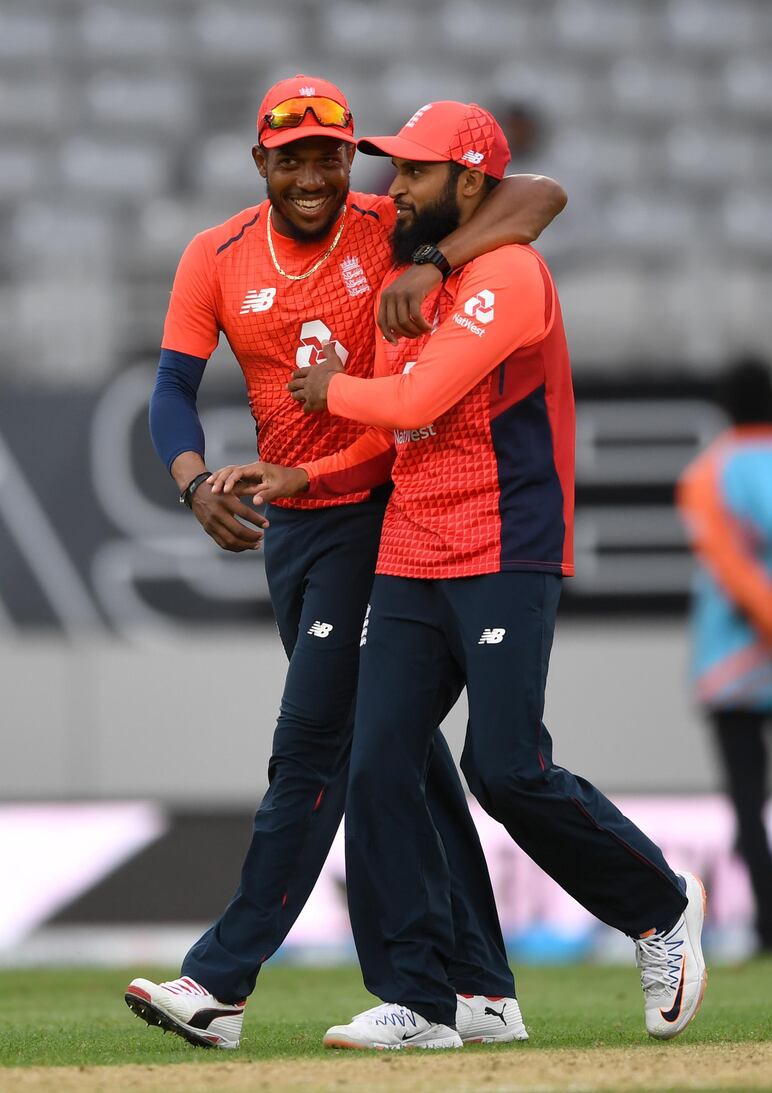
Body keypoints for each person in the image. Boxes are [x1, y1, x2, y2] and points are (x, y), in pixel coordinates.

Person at [216, 100, 708, 1050]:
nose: (390, 188)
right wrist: (306, 471)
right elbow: (390, 435)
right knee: (377, 761)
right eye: (394, 171)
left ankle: (660, 906)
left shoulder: (511, 276)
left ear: (469, 183)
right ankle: (423, 998)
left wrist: (326, 390)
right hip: (410, 544)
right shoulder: (416, 275)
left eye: (412, 173)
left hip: (504, 541)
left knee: (503, 766)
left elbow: (417, 398)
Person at [123, 74, 567, 1050]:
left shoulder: (390, 220)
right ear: (261, 164)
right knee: (396, 753)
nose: (316, 174)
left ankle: (221, 979)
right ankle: (482, 987)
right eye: (294, 158)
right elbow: (169, 387)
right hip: (295, 524)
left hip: (379, 510)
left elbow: (534, 195)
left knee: (314, 747)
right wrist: (195, 481)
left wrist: (437, 254)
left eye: (331, 153)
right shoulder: (216, 255)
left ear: (349, 155)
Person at [677, 358, 772, 954]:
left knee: (749, 802)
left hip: (731, 665)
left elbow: (728, 564)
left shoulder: (708, 472)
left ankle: (770, 925)